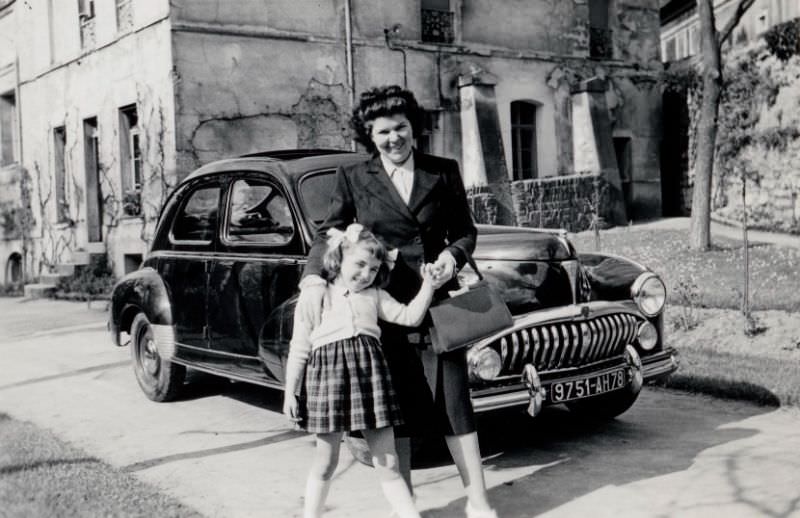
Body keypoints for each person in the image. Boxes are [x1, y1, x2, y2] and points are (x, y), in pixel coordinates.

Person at [296, 85, 498, 518]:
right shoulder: (352, 177)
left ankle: (478, 501)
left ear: (413, 128)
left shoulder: (442, 171)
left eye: (402, 128)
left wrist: (451, 255)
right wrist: (314, 279)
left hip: (436, 306)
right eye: (384, 131)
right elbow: (327, 234)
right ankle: (404, 504)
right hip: (383, 311)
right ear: (370, 135)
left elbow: (466, 231)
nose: (395, 138)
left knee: (454, 404)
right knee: (398, 407)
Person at [284, 223, 436, 518]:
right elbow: (299, 348)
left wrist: (428, 285)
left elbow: (410, 316)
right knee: (326, 460)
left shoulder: (374, 296)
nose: (366, 274)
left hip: (371, 382)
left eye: (374, 269)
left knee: (388, 461)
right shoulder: (316, 295)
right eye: (360, 264)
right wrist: (290, 391)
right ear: (340, 257)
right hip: (328, 381)